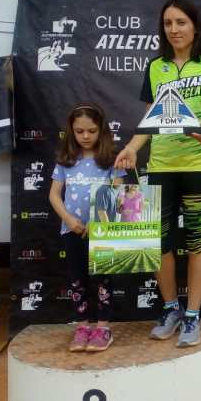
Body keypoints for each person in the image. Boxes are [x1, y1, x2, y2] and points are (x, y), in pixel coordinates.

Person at [114, 0, 201, 348]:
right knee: (158, 243)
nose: (174, 29)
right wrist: (131, 148)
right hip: (161, 165)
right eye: (168, 23)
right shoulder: (156, 67)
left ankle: (193, 316)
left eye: (181, 22)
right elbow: (152, 118)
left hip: (200, 166)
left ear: (194, 26)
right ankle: (171, 309)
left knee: (197, 241)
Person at [49, 103, 124, 352]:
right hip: (72, 231)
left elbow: (117, 191)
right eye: (79, 131)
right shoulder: (66, 160)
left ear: (101, 129)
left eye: (91, 131)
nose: (85, 136)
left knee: (103, 280)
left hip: (101, 231)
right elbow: (54, 195)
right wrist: (69, 220)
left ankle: (103, 328)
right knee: (77, 280)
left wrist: (99, 219)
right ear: (71, 131)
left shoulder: (112, 158)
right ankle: (82, 326)